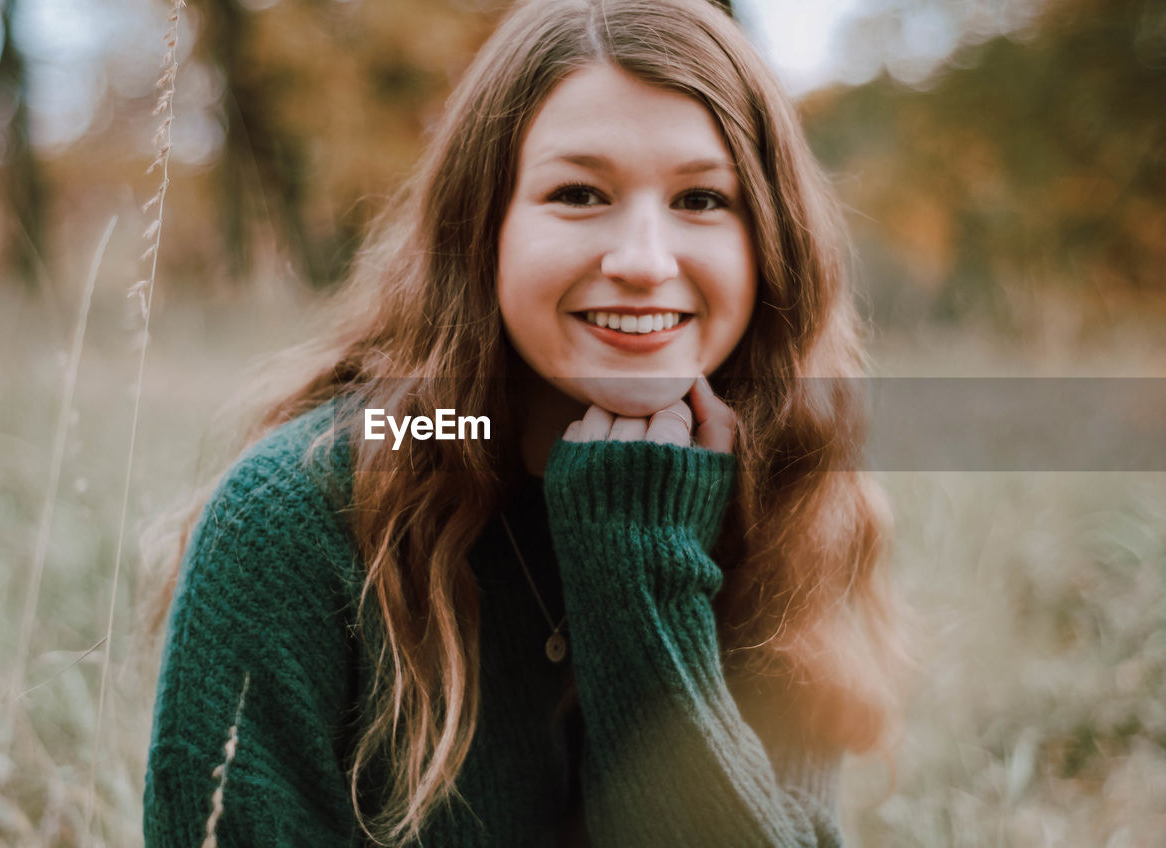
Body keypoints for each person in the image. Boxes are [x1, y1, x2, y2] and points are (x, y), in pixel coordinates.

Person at [142, 0, 906, 845]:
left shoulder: (781, 491)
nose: (644, 262)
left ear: (771, 242)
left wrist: (638, 577)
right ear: (484, 228)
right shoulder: (303, 517)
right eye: (578, 193)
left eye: (700, 198)